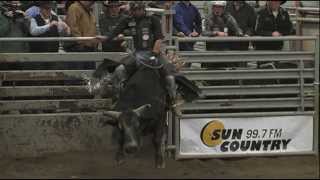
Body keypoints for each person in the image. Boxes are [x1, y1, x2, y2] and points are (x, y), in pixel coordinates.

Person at [97, 2, 181, 115]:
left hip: (153, 52)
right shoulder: (128, 20)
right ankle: (117, 101)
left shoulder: (153, 19)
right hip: (137, 54)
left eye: (139, 9)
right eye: (134, 10)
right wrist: (105, 38)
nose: (137, 12)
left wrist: (154, 54)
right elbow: (115, 32)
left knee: (170, 77)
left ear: (143, 9)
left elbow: (159, 38)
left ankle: (174, 102)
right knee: (119, 71)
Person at [202, 1, 243, 69]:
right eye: (215, 7)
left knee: (232, 64)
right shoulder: (208, 18)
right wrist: (216, 33)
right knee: (208, 66)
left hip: (226, 48)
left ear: (223, 8)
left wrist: (239, 33)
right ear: (213, 8)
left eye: (219, 7)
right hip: (212, 48)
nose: (217, 9)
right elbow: (204, 32)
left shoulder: (229, 17)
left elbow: (237, 28)